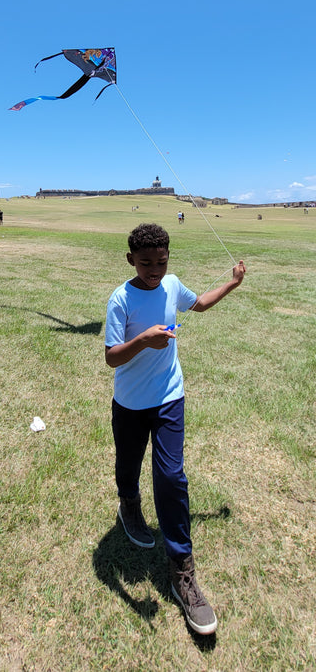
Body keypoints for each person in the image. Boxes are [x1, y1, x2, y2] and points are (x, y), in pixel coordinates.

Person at [105, 222, 246, 636]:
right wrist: (144, 340)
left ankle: (182, 568)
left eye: (162, 262)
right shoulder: (121, 299)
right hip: (130, 403)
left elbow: (198, 304)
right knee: (128, 466)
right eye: (146, 263)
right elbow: (112, 358)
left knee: (170, 475)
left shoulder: (172, 285)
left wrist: (233, 285)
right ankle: (129, 504)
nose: (154, 270)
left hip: (170, 397)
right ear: (131, 259)